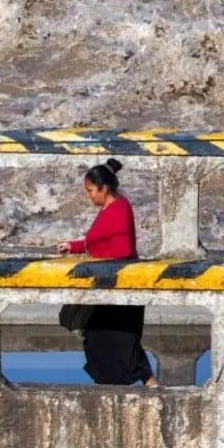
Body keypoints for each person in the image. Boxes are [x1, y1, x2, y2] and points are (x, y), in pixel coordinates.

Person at [54, 159, 158, 387]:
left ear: (104, 188)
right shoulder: (110, 208)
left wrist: (89, 252)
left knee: (119, 339)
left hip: (119, 282)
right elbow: (99, 240)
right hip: (109, 282)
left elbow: (122, 249)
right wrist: (74, 246)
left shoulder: (119, 209)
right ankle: (137, 385)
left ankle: (147, 384)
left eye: (91, 191)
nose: (89, 196)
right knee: (107, 338)